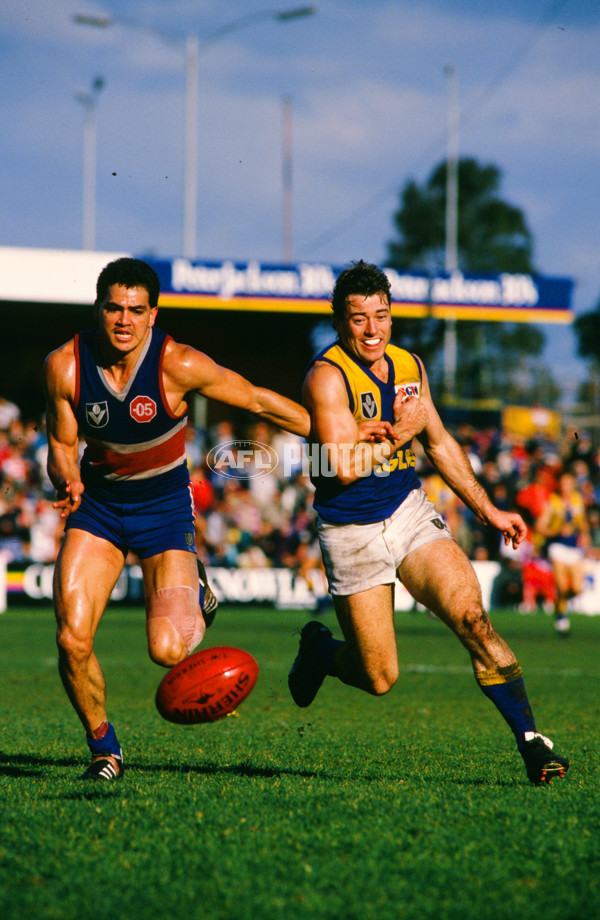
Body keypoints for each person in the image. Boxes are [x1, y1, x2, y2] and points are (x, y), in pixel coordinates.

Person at [288, 260, 569, 785]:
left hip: (407, 510)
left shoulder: (409, 367)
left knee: (472, 618)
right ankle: (320, 651)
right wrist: (401, 432)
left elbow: (438, 442)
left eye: (381, 316)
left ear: (392, 317)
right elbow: (344, 467)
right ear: (339, 323)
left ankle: (532, 743)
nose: (372, 330)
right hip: (350, 530)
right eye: (358, 319)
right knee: (379, 676)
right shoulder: (325, 379)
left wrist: (489, 511)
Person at [44, 257, 314, 781]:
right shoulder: (66, 366)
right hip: (98, 509)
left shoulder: (178, 364)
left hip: (164, 513)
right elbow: (61, 442)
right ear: (98, 309)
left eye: (136, 310)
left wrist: (333, 432)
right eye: (114, 308)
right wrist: (64, 477)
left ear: (153, 314)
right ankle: (105, 750)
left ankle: (199, 590)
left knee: (168, 651)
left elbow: (256, 398)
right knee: (71, 640)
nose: (124, 320)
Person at [535, 470, 589, 634]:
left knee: (578, 588)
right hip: (557, 547)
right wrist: (558, 531)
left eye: (569, 483)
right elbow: (540, 526)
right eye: (563, 483)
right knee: (563, 586)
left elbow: (583, 523)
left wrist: (584, 534)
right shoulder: (553, 502)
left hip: (574, 548)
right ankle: (561, 617)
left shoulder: (577, 501)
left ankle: (561, 608)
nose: (566, 487)